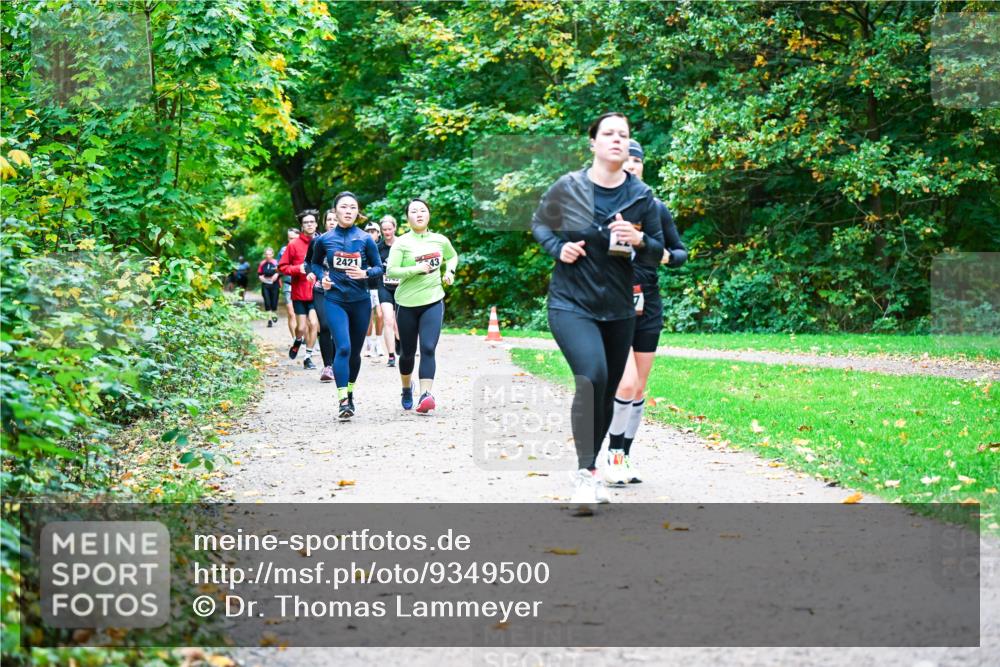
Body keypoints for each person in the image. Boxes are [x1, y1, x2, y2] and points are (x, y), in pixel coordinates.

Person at [531, 112, 665, 510]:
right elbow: (540, 224)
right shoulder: (569, 187)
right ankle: (585, 474)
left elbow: (660, 251)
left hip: (619, 308)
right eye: (608, 133)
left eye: (623, 135)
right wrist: (559, 248)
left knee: (606, 390)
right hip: (570, 302)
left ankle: (594, 467)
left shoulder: (641, 195)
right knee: (593, 376)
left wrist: (639, 238)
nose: (617, 140)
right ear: (593, 142)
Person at [603, 140, 688, 485]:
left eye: (637, 161)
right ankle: (612, 454)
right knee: (626, 382)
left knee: (639, 389)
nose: (632, 166)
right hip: (614, 302)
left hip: (648, 303)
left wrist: (664, 256)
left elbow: (680, 253)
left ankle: (624, 456)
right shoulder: (605, 206)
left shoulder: (656, 208)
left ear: (642, 167)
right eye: (627, 161)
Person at [309, 192, 383, 420]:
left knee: (354, 353)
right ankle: (342, 400)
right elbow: (313, 263)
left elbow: (379, 268)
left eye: (353, 207)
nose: (348, 210)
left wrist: (365, 273)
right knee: (343, 348)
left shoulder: (365, 239)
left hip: (360, 302)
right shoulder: (323, 240)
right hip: (335, 300)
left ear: (357, 212)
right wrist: (323, 277)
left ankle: (350, 393)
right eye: (344, 207)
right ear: (336, 211)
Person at [385, 198, 458, 414]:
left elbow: (452, 256)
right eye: (414, 211)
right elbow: (391, 271)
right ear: (407, 217)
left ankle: (426, 395)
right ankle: (407, 388)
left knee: (428, 348)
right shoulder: (402, 243)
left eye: (423, 210)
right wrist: (416, 269)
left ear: (429, 215)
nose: (419, 214)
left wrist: (449, 271)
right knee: (407, 353)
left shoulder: (439, 240)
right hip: (406, 303)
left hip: (433, 301)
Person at [278, 210, 320, 370]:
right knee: (301, 327)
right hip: (299, 293)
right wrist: (298, 269)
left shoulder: (321, 242)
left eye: (312, 222)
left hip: (316, 292)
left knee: (314, 323)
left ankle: (308, 357)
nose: (309, 224)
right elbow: (282, 267)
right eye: (306, 222)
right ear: (302, 226)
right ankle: (298, 340)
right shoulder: (294, 245)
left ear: (316, 224)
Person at [308, 210, 338, 383]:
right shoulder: (318, 241)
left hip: (341, 289)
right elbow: (309, 261)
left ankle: (337, 363)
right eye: (329, 220)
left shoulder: (346, 241)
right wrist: (311, 273)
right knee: (325, 326)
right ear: (325, 223)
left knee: (337, 328)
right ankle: (328, 366)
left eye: (335, 219)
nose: (332, 222)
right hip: (320, 288)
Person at [377, 215, 400, 367]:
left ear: (394, 228)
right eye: (384, 230)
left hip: (401, 287)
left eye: (389, 229)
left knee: (400, 323)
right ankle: (391, 355)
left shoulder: (402, 244)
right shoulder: (378, 247)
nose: (387, 232)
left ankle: (399, 340)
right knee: (387, 319)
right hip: (384, 286)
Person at [363, 222, 386, 358]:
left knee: (381, 314)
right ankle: (368, 344)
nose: (371, 233)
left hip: (380, 286)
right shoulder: (362, 245)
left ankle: (378, 342)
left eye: (374, 231)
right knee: (368, 317)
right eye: (368, 231)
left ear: (378, 233)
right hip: (365, 285)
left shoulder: (383, 247)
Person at [277, 228, 299, 341]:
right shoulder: (283, 250)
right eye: (290, 238)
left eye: (294, 238)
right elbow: (279, 267)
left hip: (301, 285)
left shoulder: (304, 248)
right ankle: (295, 339)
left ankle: (302, 336)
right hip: (288, 284)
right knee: (291, 313)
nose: (292, 241)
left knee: (302, 314)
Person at [257, 248, 281, 327]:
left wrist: (276, 274)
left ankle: (274, 314)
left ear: (272, 254)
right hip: (265, 285)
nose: (268, 256)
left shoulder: (276, 263)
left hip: (275, 284)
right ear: (264, 255)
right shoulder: (262, 263)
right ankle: (269, 320)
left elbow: (281, 271)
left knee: (274, 303)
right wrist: (261, 278)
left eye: (269, 254)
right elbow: (259, 273)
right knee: (267, 302)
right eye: (266, 254)